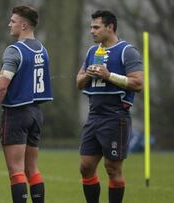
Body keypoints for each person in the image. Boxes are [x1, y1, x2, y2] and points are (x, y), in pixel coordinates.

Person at [0, 5, 53, 203]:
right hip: (36, 113)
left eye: (12, 21)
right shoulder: (42, 48)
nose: (9, 24)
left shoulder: (14, 51)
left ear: (23, 25)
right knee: (33, 169)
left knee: (16, 170)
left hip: (16, 114)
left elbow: (1, 87)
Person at [76, 10, 143, 203]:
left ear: (110, 27)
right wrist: (88, 75)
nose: (91, 31)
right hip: (94, 116)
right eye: (91, 27)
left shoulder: (126, 51)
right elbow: (79, 82)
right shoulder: (92, 51)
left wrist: (109, 76)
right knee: (85, 166)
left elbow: (138, 84)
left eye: (96, 27)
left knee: (112, 168)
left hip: (116, 117)